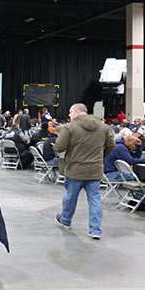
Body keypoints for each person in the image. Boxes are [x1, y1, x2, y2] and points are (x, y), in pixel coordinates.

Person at [53, 103, 115, 240]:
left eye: (70, 112)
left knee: (71, 197)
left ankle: (66, 220)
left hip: (75, 170)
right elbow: (111, 146)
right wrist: (101, 158)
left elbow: (58, 147)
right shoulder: (103, 127)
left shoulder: (70, 127)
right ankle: (95, 230)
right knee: (95, 199)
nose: (69, 115)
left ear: (76, 112)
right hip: (95, 170)